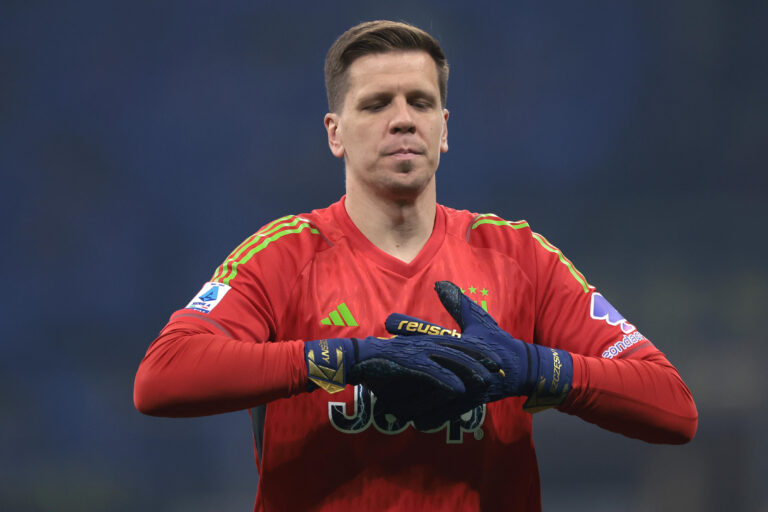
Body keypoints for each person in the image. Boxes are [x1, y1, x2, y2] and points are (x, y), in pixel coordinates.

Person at [134, 20, 698, 511]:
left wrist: (533, 368)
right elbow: (161, 378)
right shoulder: (284, 254)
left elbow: (673, 407)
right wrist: (347, 359)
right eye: (377, 103)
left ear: (444, 129)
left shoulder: (518, 255)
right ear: (335, 133)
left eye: (420, 103)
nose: (403, 120)